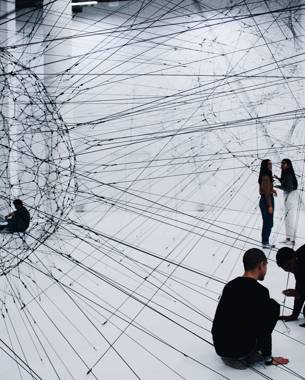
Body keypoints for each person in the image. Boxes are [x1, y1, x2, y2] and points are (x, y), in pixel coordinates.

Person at [212, 248, 288, 368]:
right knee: (273, 306)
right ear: (261, 265)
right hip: (240, 353)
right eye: (266, 266)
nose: (266, 270)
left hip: (221, 349)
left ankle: (239, 350)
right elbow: (263, 329)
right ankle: (252, 354)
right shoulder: (260, 291)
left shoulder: (230, 286)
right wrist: (267, 357)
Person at [276, 245, 305, 325]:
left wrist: (299, 294)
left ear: (294, 257)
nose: (289, 269)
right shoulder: (297, 265)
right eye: (285, 268)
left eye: (288, 264)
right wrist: (294, 315)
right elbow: (300, 285)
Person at [274, 159, 298, 245]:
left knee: (289, 218)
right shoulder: (285, 173)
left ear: (288, 165)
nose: (281, 165)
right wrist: (278, 179)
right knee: (287, 219)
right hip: (288, 196)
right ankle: (288, 238)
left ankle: (291, 240)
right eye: (281, 163)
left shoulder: (289, 174)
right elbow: (285, 183)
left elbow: (289, 187)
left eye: (283, 163)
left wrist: (278, 186)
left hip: (291, 196)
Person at [258, 159, 277, 249]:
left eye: (271, 164)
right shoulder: (265, 177)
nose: (270, 165)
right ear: (265, 165)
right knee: (268, 223)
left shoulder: (266, 175)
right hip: (267, 200)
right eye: (269, 164)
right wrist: (269, 205)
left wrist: (273, 190)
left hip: (266, 199)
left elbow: (267, 188)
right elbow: (266, 192)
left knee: (268, 223)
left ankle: (265, 242)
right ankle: (265, 243)